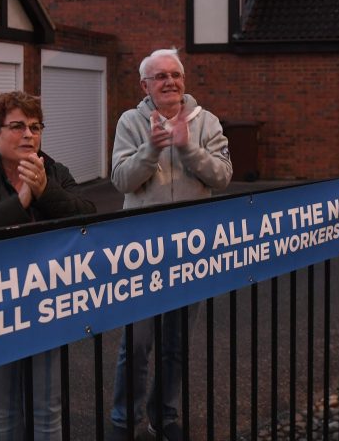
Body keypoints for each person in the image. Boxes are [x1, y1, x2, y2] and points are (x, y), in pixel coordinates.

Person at [0, 90, 95, 440]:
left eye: (35, 126)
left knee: (48, 414)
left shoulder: (56, 172)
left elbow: (88, 216)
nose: (29, 134)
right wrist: (23, 199)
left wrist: (45, 191)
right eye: (17, 126)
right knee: (3, 417)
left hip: (45, 308)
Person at [109, 48, 232, 440]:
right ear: (144, 85)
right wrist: (152, 149)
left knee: (176, 344)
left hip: (191, 251)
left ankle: (164, 416)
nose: (170, 82)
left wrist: (187, 148)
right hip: (142, 251)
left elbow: (223, 176)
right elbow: (121, 181)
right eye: (160, 76)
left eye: (175, 75)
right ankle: (123, 420)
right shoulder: (130, 121)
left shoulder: (207, 122)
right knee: (137, 343)